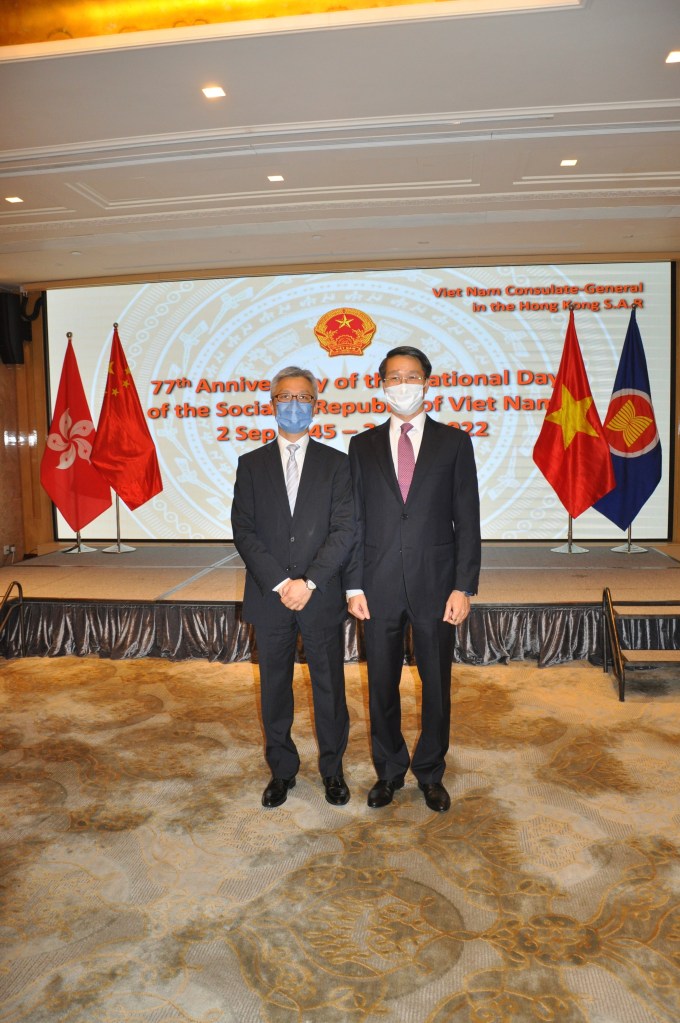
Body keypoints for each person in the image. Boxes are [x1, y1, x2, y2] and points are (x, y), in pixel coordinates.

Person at [345, 346, 481, 812]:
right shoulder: (361, 446)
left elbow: (467, 520)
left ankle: (430, 771)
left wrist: (464, 586)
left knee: (436, 685)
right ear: (381, 384)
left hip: (437, 586)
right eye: (394, 377)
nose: (402, 384)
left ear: (427, 382)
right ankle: (388, 771)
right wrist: (353, 585)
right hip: (377, 585)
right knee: (380, 683)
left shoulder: (454, 443)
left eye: (412, 376)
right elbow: (355, 522)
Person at [232, 366, 355, 808]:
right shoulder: (250, 464)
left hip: (319, 596)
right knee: (274, 689)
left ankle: (332, 770)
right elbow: (244, 531)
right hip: (271, 597)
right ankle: (282, 770)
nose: (294, 405)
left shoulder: (337, 464)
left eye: (303, 398)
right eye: (285, 397)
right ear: (272, 404)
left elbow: (344, 530)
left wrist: (310, 581)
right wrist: (284, 583)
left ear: (316, 406)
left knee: (329, 689)